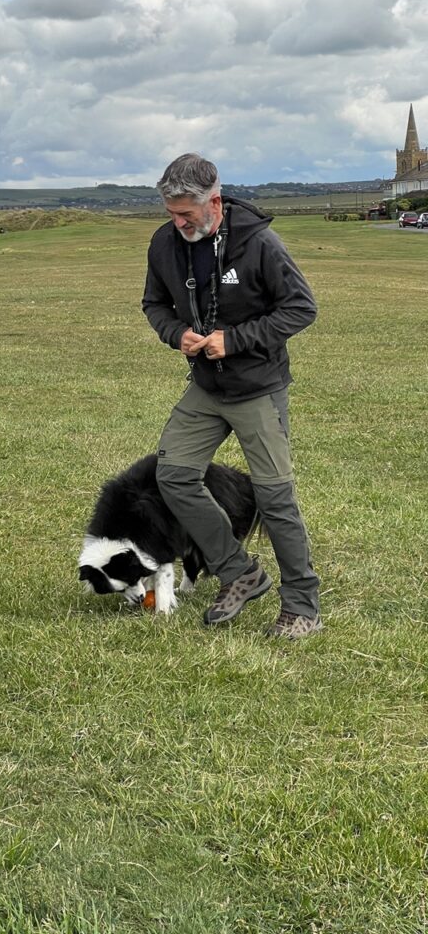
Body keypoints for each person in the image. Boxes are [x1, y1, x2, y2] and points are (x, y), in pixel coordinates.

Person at [142, 152, 321, 638]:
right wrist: (175, 332)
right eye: (172, 214)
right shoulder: (165, 244)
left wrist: (235, 340)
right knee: (174, 476)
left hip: (258, 389)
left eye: (187, 214)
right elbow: (153, 303)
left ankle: (302, 605)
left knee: (274, 496)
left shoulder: (259, 242)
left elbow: (302, 308)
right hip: (205, 387)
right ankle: (238, 571)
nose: (178, 223)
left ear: (214, 202)